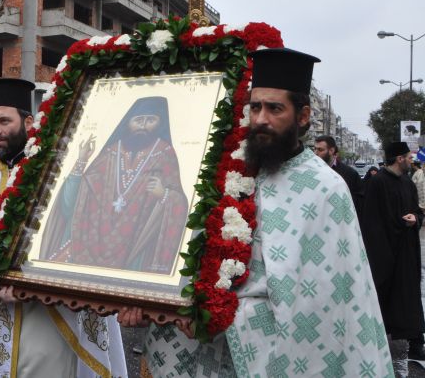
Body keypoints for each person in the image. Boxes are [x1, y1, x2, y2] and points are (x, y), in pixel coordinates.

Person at [122, 48, 393, 377]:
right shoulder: (224, 174)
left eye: (275, 108)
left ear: (303, 116)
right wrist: (144, 294)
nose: (261, 119)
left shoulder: (326, 188)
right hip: (200, 349)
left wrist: (224, 313)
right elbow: (178, 249)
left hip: (270, 355)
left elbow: (325, 297)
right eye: (255, 107)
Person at [0, 78, 127, 377]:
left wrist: (26, 282)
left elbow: (76, 237)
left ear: (29, 121)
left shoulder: (55, 171)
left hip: (45, 315)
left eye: (5, 120)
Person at [40, 97, 188, 273]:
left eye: (151, 120)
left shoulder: (165, 153)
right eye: (138, 120)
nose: (143, 125)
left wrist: (164, 194)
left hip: (134, 246)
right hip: (92, 239)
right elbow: (74, 200)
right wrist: (81, 160)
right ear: (128, 123)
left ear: (160, 123)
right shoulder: (111, 151)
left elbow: (180, 203)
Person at [362, 142, 425, 361]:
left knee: (409, 296)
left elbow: (418, 212)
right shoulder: (378, 182)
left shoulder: (407, 182)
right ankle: (375, 343)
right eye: (408, 157)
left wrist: (415, 219)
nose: (411, 160)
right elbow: (370, 221)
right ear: (399, 158)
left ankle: (415, 342)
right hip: (385, 253)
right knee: (383, 297)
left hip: (407, 252)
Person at [313, 135, 364, 216]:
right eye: (314, 149)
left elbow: (359, 201)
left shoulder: (350, 173)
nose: (315, 153)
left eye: (320, 150)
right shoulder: (312, 171)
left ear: (331, 150)